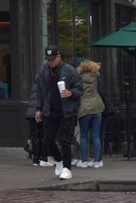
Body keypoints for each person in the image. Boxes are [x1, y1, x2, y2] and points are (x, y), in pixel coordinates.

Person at [34, 45, 82, 180]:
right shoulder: (44, 71)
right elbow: (40, 92)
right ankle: (59, 160)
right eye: (48, 59)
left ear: (59, 57)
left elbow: (79, 89)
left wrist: (70, 93)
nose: (50, 62)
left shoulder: (70, 70)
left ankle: (67, 168)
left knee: (65, 140)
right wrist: (38, 108)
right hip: (51, 110)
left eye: (53, 59)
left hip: (67, 111)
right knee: (48, 139)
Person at [75, 59, 106, 168]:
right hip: (97, 108)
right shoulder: (96, 77)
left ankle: (84, 160)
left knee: (84, 136)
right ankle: (97, 161)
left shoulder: (78, 78)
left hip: (84, 108)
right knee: (96, 135)